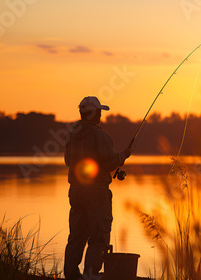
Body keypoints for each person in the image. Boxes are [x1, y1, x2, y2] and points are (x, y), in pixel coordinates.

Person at [64, 96, 131, 280]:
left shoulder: (71, 134)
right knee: (99, 236)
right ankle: (90, 276)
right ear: (93, 113)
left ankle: (71, 275)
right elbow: (110, 162)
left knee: (76, 236)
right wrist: (123, 155)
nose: (101, 115)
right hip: (96, 193)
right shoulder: (100, 135)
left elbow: (68, 161)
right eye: (99, 112)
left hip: (76, 192)